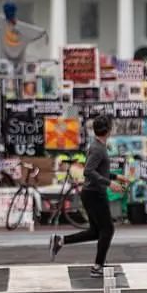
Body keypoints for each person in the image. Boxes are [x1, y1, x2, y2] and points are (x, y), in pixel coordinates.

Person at [49, 114, 126, 277]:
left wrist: (115, 177)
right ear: (109, 131)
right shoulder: (98, 149)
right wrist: (109, 184)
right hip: (95, 194)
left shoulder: (97, 145)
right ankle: (97, 267)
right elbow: (88, 171)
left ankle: (60, 241)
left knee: (96, 232)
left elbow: (98, 170)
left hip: (92, 193)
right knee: (108, 229)